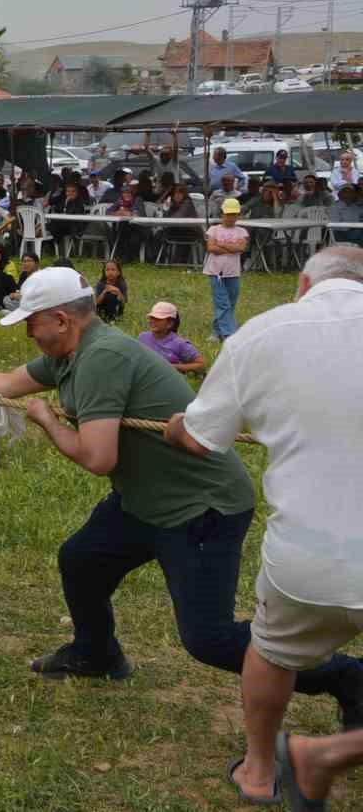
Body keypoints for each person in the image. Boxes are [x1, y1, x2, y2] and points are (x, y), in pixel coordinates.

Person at [0, 267, 362, 725]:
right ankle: (96, 653)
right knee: (81, 560)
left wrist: (48, 421)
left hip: (200, 508)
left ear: (63, 320)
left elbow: (97, 457)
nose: (28, 332)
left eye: (31, 322)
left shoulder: (102, 358)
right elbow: (6, 383)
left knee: (210, 639)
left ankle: (348, 678)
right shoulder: (72, 353)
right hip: (144, 501)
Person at [165, 247, 363, 807]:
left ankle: (258, 771)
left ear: (303, 284)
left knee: (272, 653)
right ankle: (330, 753)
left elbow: (200, 441)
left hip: (307, 560)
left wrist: (178, 427)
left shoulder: (261, 332)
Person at [205, 198, 249, 340]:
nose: (231, 218)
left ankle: (217, 331)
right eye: (228, 214)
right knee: (222, 302)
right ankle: (229, 334)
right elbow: (211, 248)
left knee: (230, 302)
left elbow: (241, 248)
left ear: (238, 215)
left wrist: (221, 245)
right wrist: (232, 248)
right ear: (222, 214)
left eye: (234, 214)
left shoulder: (242, 231)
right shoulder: (214, 229)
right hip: (216, 272)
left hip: (233, 273)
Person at [137, 301, 204, 373]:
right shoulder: (142, 338)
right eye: (151, 317)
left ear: (170, 323)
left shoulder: (180, 343)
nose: (153, 321)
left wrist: (172, 367)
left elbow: (201, 365)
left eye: (158, 319)